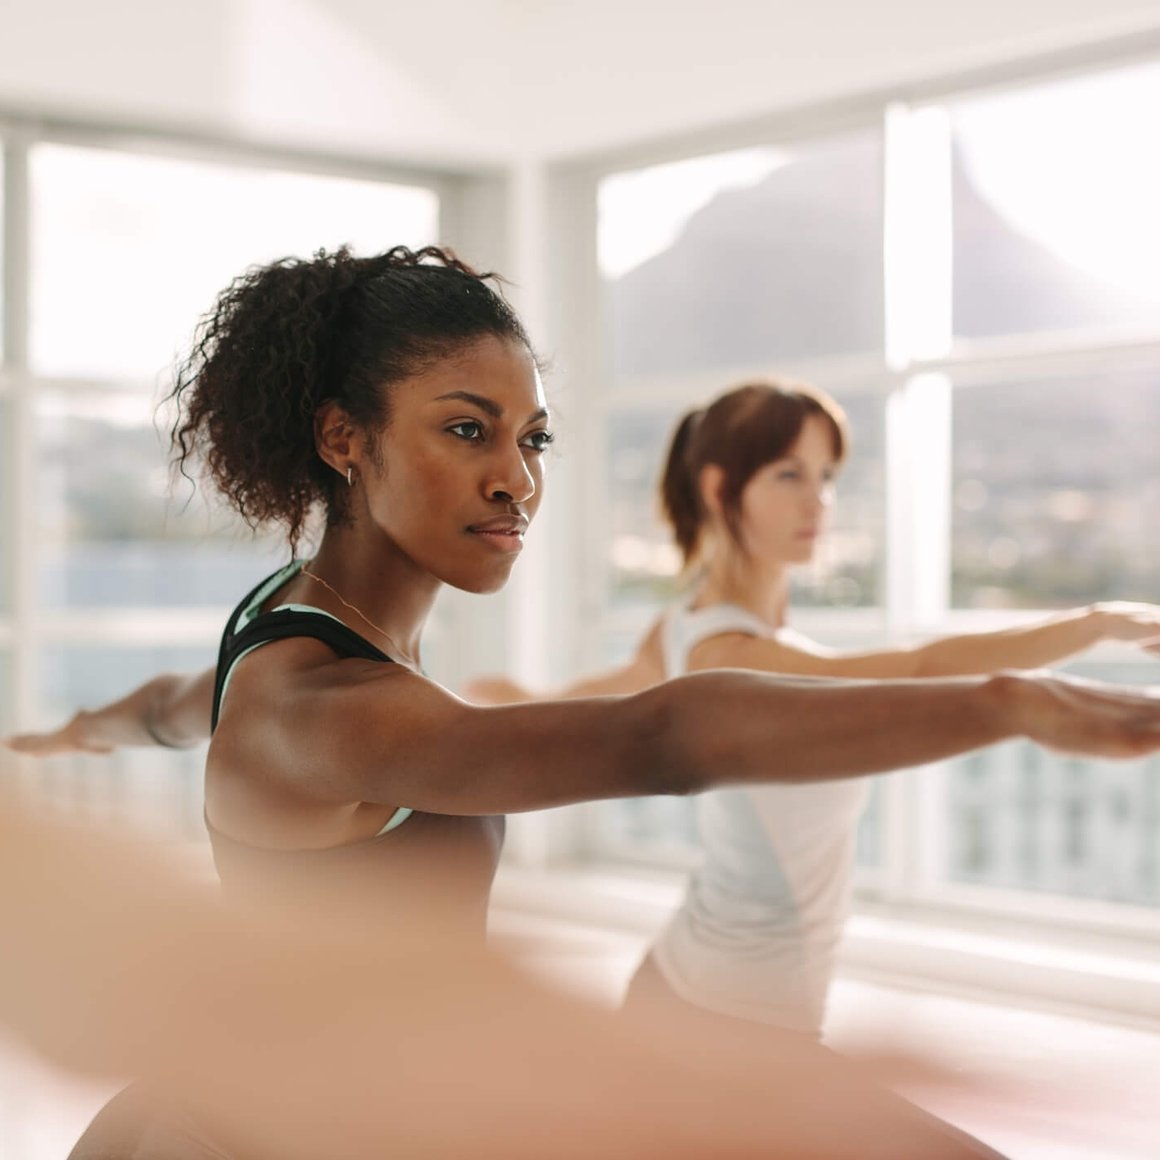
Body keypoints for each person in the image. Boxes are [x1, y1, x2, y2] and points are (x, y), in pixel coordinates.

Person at [6, 247, 1160, 1159]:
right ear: (341, 439)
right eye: (468, 429)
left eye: (532, 436)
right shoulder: (330, 708)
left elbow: (178, 701)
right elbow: (661, 728)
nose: (518, 478)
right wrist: (1001, 702)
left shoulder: (284, 628)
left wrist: (77, 729)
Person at [466, 380, 1160, 1037]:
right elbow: (920, 668)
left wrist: (519, 701)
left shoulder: (690, 628)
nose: (819, 501)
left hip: (699, 991)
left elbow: (598, 691)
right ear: (719, 489)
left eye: (827, 476)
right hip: (718, 1017)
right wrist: (1096, 624)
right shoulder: (732, 655)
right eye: (789, 475)